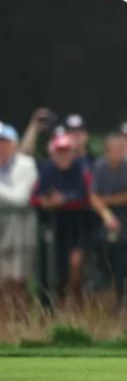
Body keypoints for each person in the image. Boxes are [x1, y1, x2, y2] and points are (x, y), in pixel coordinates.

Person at [32, 133, 94, 304]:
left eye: (67, 151)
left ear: (73, 152)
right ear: (53, 153)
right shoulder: (47, 169)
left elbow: (87, 196)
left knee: (76, 268)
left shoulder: (82, 168)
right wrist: (45, 202)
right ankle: (53, 306)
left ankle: (78, 304)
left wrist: (64, 200)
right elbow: (34, 197)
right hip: (54, 225)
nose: (63, 155)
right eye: (60, 152)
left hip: (79, 225)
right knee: (54, 269)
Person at [89, 133, 127, 302]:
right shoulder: (100, 166)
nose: (118, 153)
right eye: (113, 150)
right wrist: (106, 214)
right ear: (106, 151)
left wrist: (106, 200)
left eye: (121, 149)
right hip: (106, 222)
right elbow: (93, 196)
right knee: (106, 266)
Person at [0, 123, 38, 299]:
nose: (1, 147)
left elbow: (21, 198)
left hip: (20, 233)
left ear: (14, 144)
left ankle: (20, 317)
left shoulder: (26, 164)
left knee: (17, 282)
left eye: (5, 142)